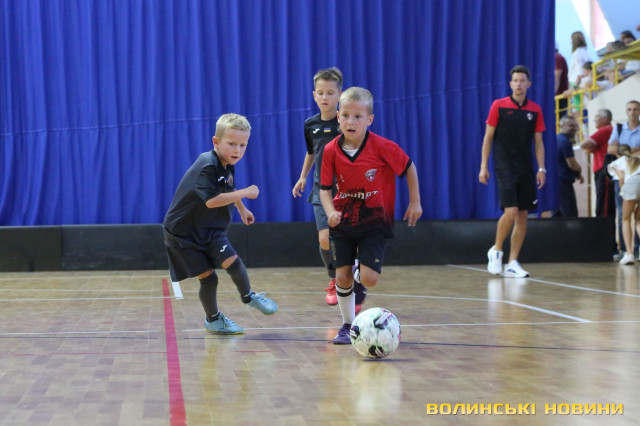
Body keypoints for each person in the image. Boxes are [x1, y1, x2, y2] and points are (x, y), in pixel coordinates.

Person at [320, 87, 422, 344]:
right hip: (343, 219)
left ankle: (359, 276)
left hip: (374, 220)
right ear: (338, 117)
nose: (350, 121)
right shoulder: (331, 150)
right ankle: (347, 325)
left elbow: (409, 167)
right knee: (341, 277)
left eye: (358, 116)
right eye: (345, 115)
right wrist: (330, 211)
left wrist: (415, 202)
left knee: (370, 279)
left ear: (369, 119)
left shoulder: (383, 147)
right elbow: (324, 189)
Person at [163, 113, 278, 335]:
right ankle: (213, 320)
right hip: (183, 234)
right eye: (232, 144)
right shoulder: (207, 165)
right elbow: (211, 200)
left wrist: (242, 209)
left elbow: (227, 189)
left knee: (233, 262)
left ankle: (248, 296)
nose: (237, 150)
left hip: (210, 229)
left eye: (243, 145)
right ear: (216, 142)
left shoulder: (227, 164)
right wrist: (246, 192)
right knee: (209, 278)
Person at [291, 67, 367, 312]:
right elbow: (311, 152)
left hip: (347, 191)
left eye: (330, 93)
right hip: (320, 190)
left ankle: (357, 284)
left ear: (340, 95)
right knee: (325, 238)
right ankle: (334, 279)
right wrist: (303, 177)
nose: (325, 97)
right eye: (320, 92)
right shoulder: (310, 125)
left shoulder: (346, 122)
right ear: (314, 95)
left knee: (351, 241)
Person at [479, 65, 546, 278]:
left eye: (522, 80)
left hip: (525, 168)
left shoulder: (535, 110)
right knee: (511, 211)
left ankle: (512, 262)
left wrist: (541, 168)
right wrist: (483, 166)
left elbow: (538, 142)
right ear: (510, 84)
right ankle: (496, 250)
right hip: (504, 166)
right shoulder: (498, 106)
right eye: (515, 80)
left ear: (528, 84)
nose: (518, 84)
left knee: (523, 215)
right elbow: (488, 137)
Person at [608, 100, 640, 259]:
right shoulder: (619, 128)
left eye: (635, 109)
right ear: (626, 111)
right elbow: (611, 149)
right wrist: (635, 150)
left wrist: (625, 149)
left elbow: (618, 149)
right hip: (624, 176)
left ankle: (633, 250)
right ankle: (625, 250)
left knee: (633, 217)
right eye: (629, 109)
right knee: (623, 215)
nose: (632, 112)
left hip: (635, 175)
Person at [608, 144, 640, 265]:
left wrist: (623, 191)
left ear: (617, 153)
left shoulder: (616, 163)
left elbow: (621, 178)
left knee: (626, 219)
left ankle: (629, 254)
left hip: (631, 184)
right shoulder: (637, 157)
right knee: (638, 220)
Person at [580, 109, 614, 218]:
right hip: (601, 171)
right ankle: (604, 226)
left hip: (604, 171)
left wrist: (592, 146)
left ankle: (603, 227)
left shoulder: (605, 130)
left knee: (604, 203)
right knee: (603, 201)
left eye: (597, 116)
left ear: (604, 118)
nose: (594, 119)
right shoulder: (606, 131)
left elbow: (584, 144)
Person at [556, 115, 584, 217]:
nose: (574, 128)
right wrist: (579, 170)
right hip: (564, 183)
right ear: (561, 126)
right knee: (570, 214)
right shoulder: (565, 142)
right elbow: (572, 164)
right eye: (570, 125)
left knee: (558, 213)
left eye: (575, 126)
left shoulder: (556, 140)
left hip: (556, 182)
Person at [555, 43, 569, 118]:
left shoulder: (557, 58)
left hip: (560, 96)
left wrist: (552, 94)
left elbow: (556, 77)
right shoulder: (559, 57)